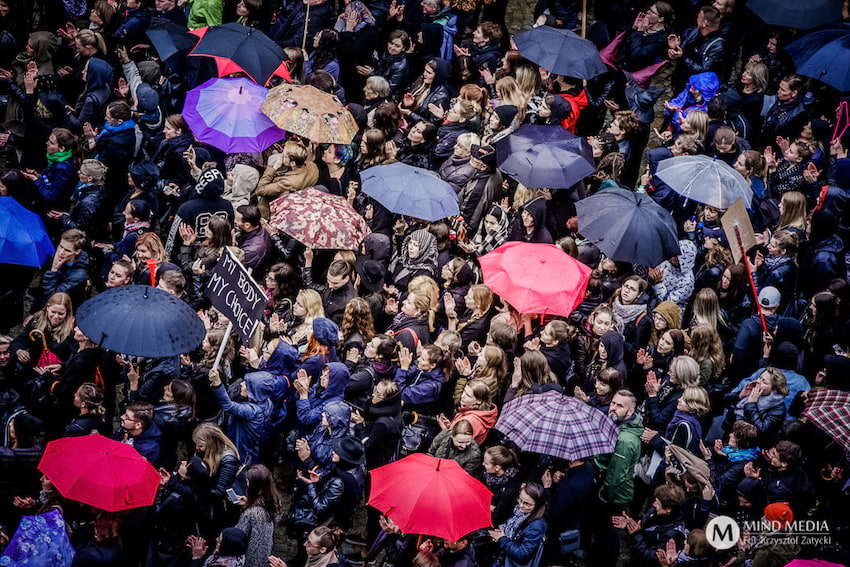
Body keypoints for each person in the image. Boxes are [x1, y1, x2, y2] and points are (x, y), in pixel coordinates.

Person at [488, 482, 547, 567]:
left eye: (527, 504)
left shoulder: (536, 526)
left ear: (538, 505)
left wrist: (502, 539)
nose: (521, 505)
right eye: (520, 499)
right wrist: (502, 532)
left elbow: (522, 554)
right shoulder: (520, 513)